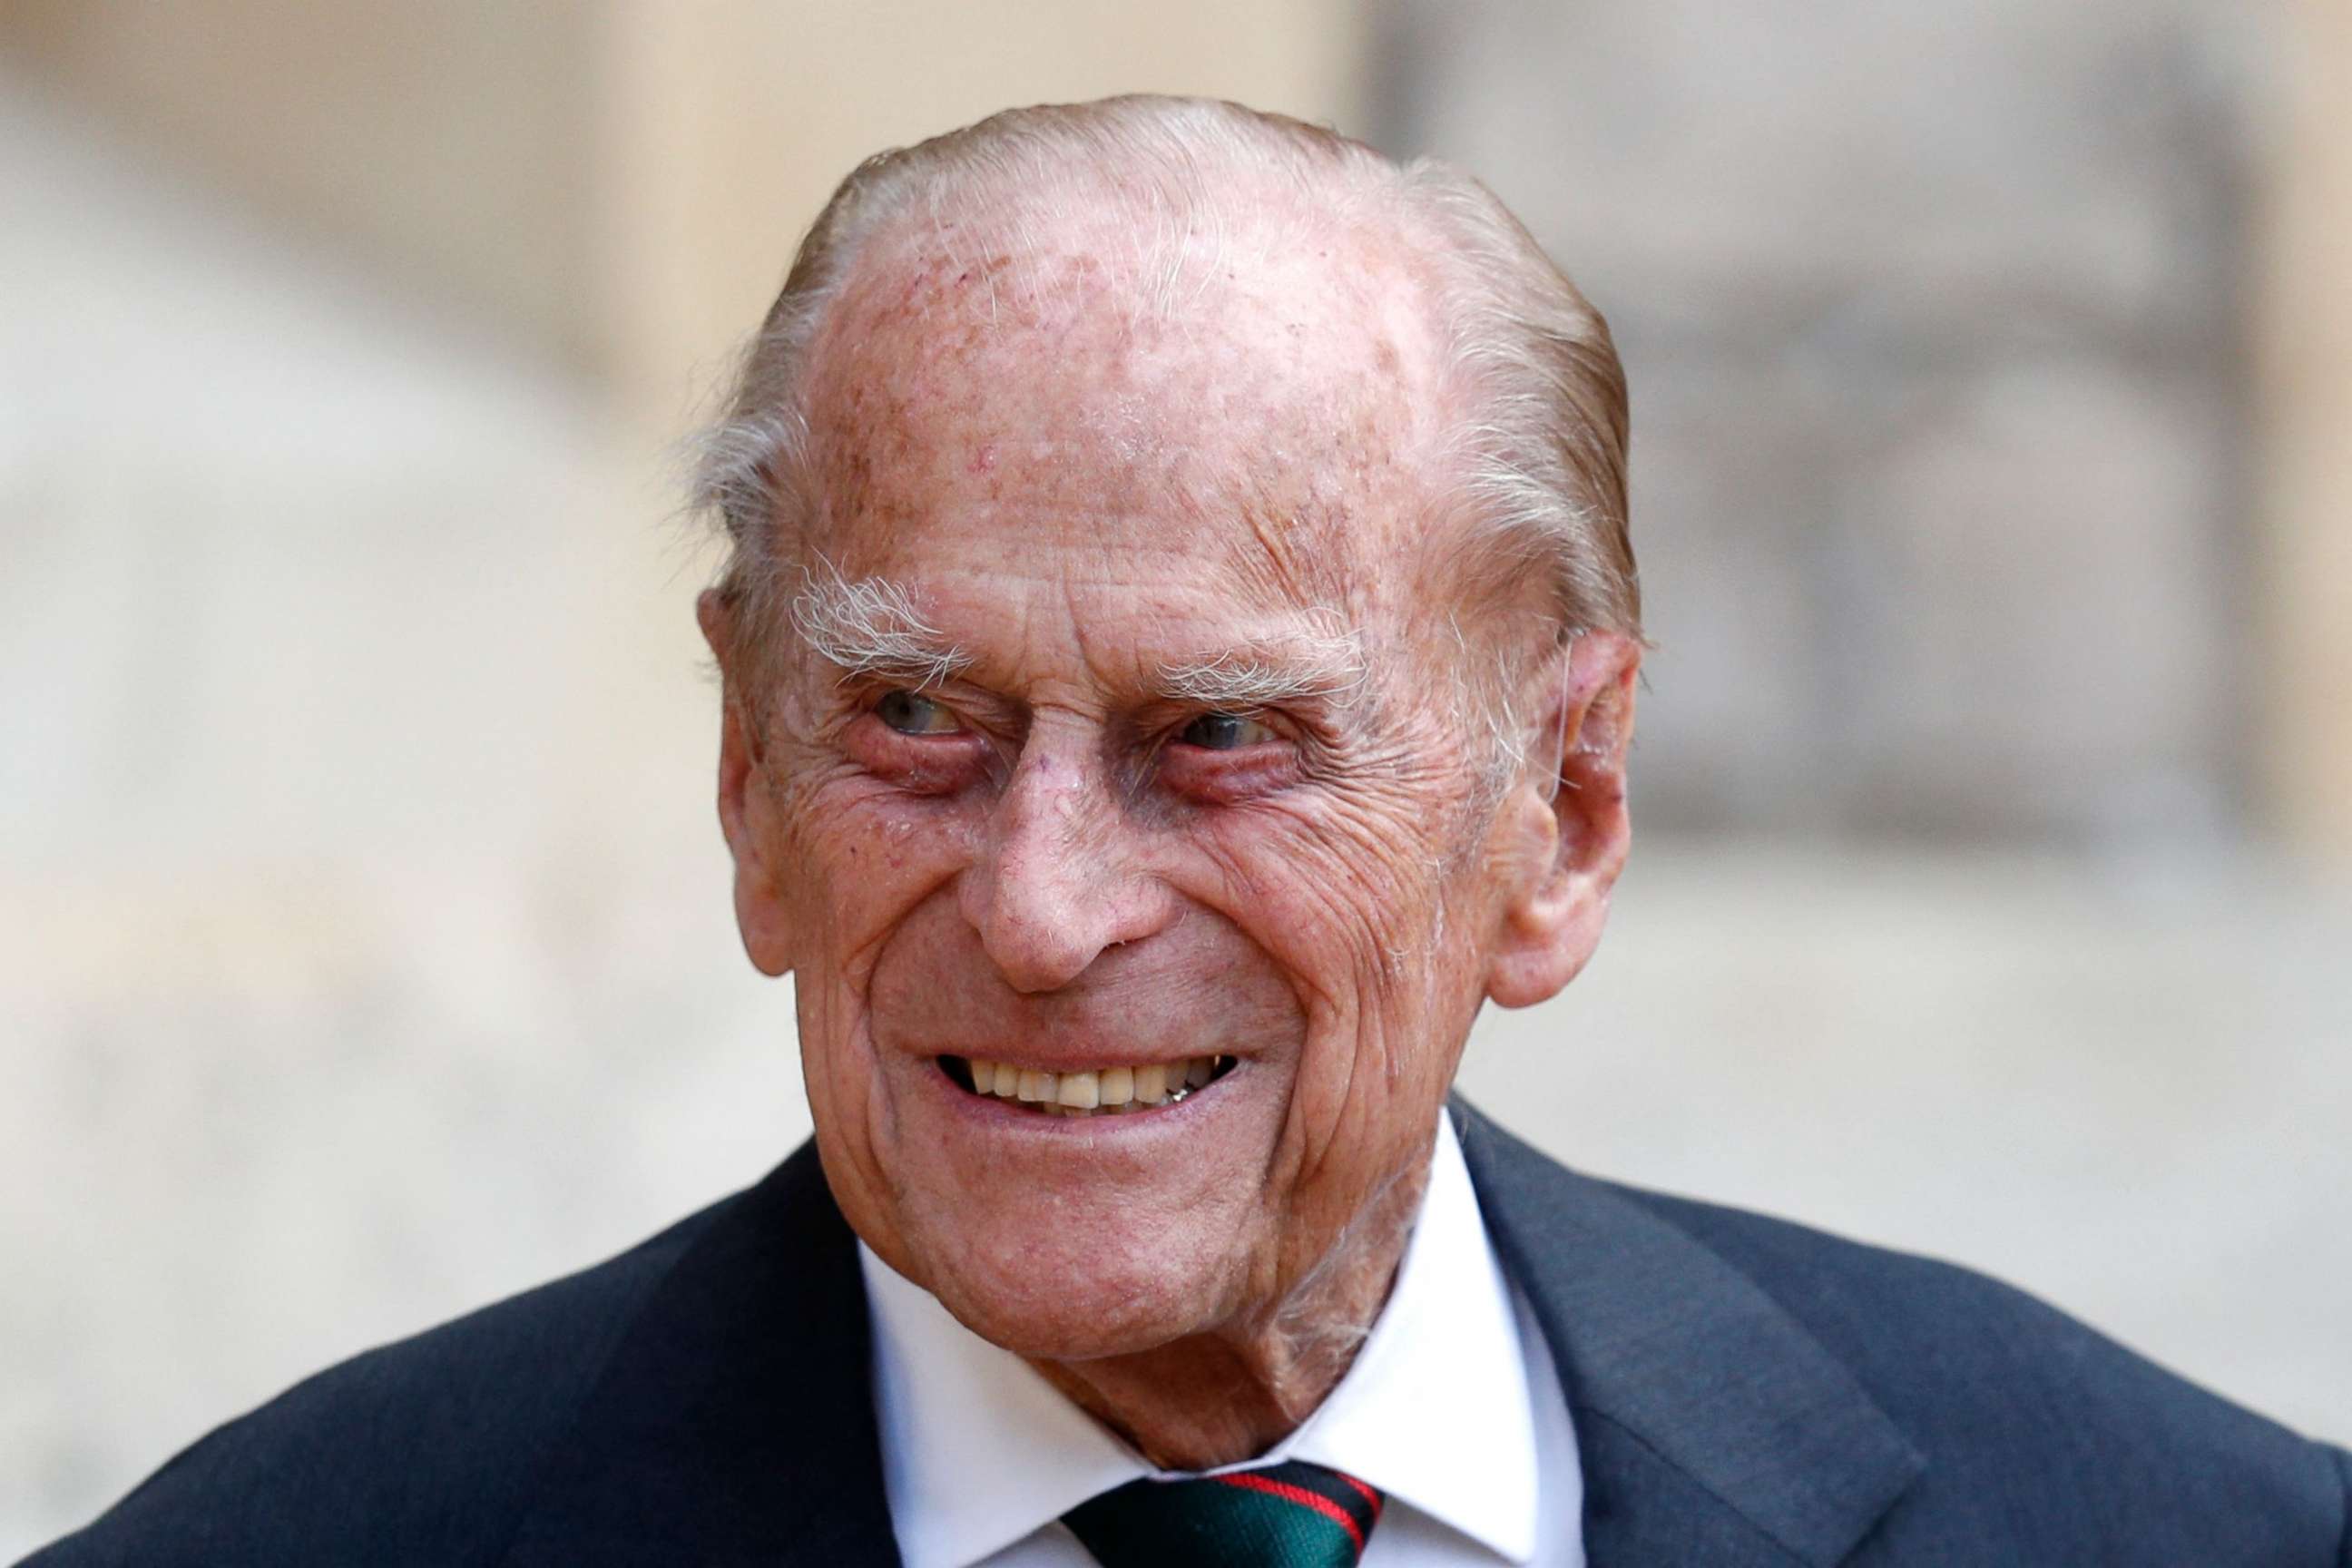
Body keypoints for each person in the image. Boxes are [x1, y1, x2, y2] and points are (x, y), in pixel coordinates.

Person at [22, 95, 2346, 1568]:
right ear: (748, 777)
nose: (1041, 912)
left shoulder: (2166, 1529)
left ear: (1566, 811)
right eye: (912, 717)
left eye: (1221, 737)